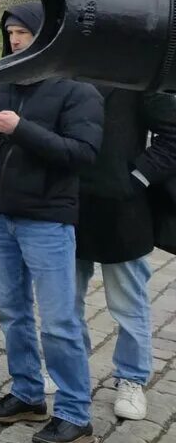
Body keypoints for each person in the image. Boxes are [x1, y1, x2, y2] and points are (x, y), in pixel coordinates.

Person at [0, 2, 103, 443]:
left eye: (23, 32)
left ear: (47, 34)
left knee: (58, 321)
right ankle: (28, 394)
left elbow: (82, 154)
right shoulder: (8, 81)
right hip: (2, 215)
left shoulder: (79, 90)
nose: (15, 40)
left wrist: (21, 129)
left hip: (48, 221)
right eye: (11, 32)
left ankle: (76, 414)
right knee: (12, 311)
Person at [75, 86, 176, 421]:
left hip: (123, 210)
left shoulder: (137, 76)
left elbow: (173, 133)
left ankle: (132, 378)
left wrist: (136, 178)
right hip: (71, 203)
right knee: (65, 298)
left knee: (128, 303)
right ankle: (69, 364)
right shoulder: (69, 65)